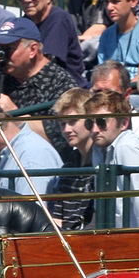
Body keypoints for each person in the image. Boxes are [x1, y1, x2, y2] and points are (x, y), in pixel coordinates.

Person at [86, 89, 139, 228]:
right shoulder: (99, 148)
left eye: (102, 122)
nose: (95, 129)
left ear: (124, 123)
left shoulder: (127, 148)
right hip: (120, 236)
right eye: (89, 123)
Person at [0, 17, 79, 122]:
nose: (2, 56)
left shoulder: (60, 83)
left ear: (32, 50)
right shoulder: (2, 76)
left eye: (8, 49)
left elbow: (58, 133)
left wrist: (14, 113)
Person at [46, 88, 96, 230]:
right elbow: (58, 218)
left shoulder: (103, 160)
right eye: (62, 123)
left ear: (90, 120)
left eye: (73, 121)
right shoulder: (69, 166)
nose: (67, 129)